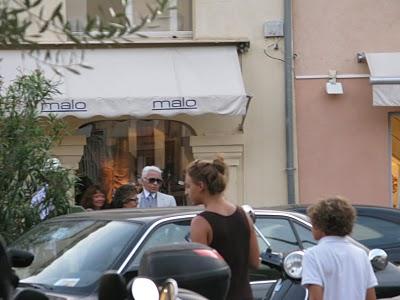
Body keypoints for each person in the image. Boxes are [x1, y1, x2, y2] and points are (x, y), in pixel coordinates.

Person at [185, 157, 260, 300]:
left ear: (201, 186)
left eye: (188, 186)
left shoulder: (201, 222)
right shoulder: (243, 214)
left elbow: (200, 273)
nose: (186, 192)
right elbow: (255, 262)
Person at [301, 196, 378, 300]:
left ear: (320, 225)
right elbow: (370, 296)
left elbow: (316, 297)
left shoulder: (312, 255)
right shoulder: (361, 254)